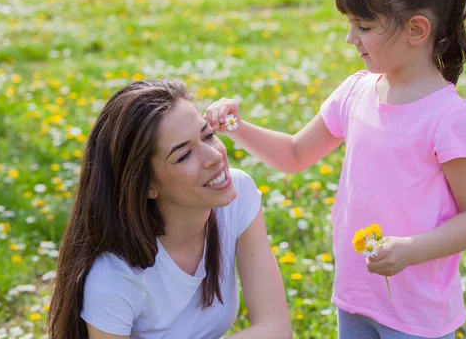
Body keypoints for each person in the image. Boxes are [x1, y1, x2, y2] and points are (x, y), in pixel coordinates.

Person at [205, 0, 466, 339]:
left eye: (364, 26)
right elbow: (294, 154)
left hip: (417, 316)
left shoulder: (448, 117)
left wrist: (411, 249)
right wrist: (235, 126)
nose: (350, 38)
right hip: (356, 296)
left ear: (416, 30)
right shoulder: (355, 91)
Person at [47, 79, 292, 339]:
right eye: (184, 155)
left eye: (208, 135)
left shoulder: (237, 197)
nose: (215, 157)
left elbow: (275, 328)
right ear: (147, 185)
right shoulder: (114, 276)